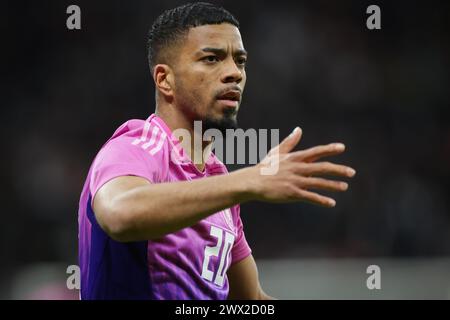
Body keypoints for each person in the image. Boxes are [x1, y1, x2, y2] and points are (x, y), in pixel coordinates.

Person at [78, 2, 356, 300]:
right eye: (212, 59)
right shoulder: (137, 146)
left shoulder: (217, 181)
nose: (234, 73)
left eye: (240, 61)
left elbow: (252, 301)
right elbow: (120, 214)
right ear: (164, 79)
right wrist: (250, 180)